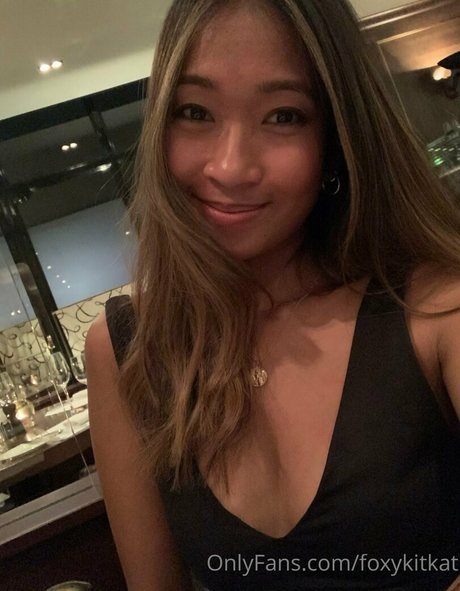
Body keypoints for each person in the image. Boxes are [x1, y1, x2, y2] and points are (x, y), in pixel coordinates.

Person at [85, 0, 460, 589]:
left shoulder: (436, 311)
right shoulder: (125, 351)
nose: (230, 167)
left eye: (283, 116)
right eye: (195, 112)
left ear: (336, 137)